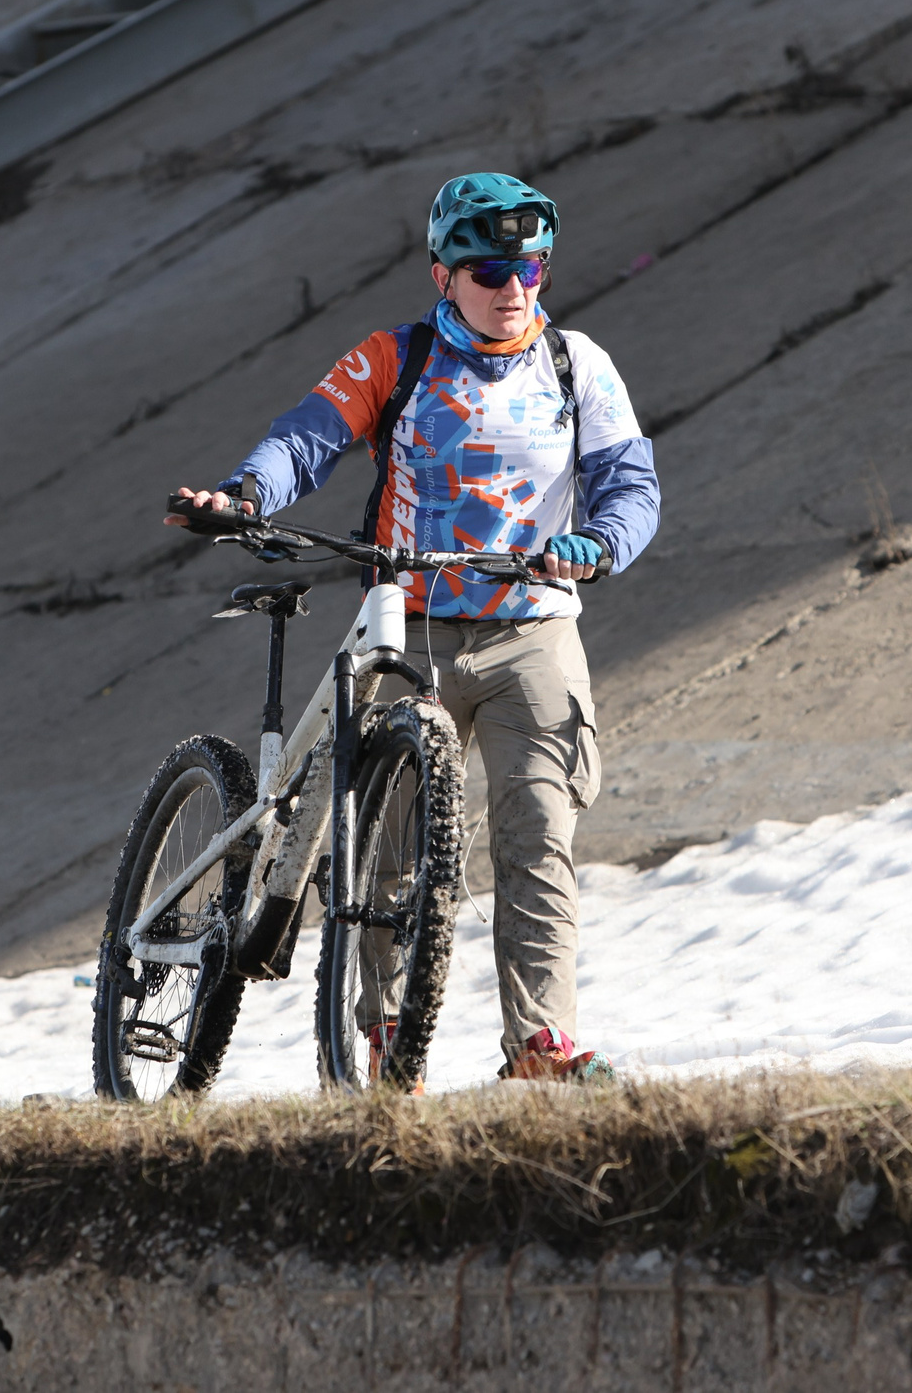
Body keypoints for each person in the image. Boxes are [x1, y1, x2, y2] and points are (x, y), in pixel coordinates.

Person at [170, 172, 660, 1084]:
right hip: (409, 628)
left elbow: (632, 486)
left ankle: (541, 1046)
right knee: (390, 857)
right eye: (487, 272)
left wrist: (595, 544)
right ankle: (384, 1037)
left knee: (539, 834)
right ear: (443, 276)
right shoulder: (393, 358)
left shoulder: (577, 365)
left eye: (529, 268)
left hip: (533, 629)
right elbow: (308, 436)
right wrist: (243, 496)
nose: (512, 288)